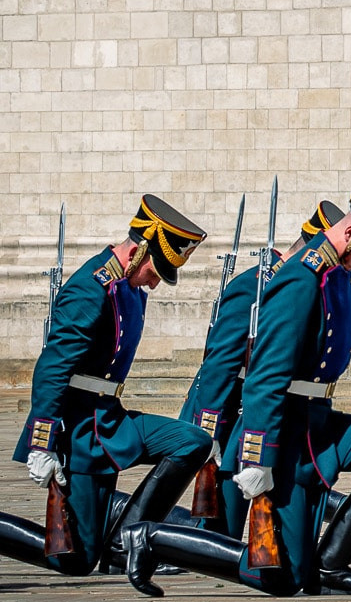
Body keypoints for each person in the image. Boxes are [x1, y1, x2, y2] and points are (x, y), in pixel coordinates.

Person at [125, 170, 351, 597]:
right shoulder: (300, 279)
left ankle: (331, 564)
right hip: (286, 436)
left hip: (319, 424)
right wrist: (254, 455)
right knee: (280, 578)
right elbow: (266, 375)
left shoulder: (339, 279)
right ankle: (150, 539)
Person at [5, 198, 212, 578]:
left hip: (110, 419)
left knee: (192, 441)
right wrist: (41, 442)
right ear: (137, 251)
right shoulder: (90, 288)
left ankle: (126, 543)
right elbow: (52, 369)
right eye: (155, 270)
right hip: (81, 431)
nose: (155, 282)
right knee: (76, 559)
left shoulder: (128, 287)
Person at [178, 200, 342, 531]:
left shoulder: (303, 287)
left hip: (264, 418)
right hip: (228, 417)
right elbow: (220, 363)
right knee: (217, 526)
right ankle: (154, 541)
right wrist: (209, 434)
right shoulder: (254, 285)